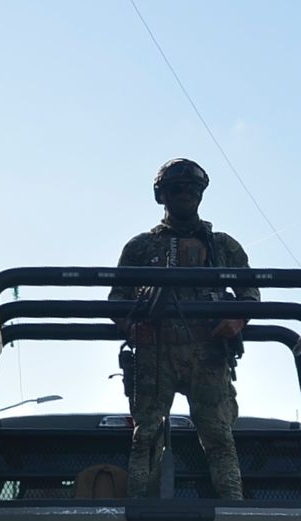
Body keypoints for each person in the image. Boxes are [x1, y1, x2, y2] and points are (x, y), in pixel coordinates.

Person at [109, 158, 259, 500]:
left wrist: (236, 319)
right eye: (176, 189)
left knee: (220, 438)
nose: (185, 195)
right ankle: (137, 514)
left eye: (193, 189)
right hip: (156, 354)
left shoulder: (223, 245)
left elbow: (251, 291)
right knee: (144, 438)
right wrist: (132, 329)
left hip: (209, 354)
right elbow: (116, 298)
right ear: (161, 195)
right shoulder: (140, 247)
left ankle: (234, 515)